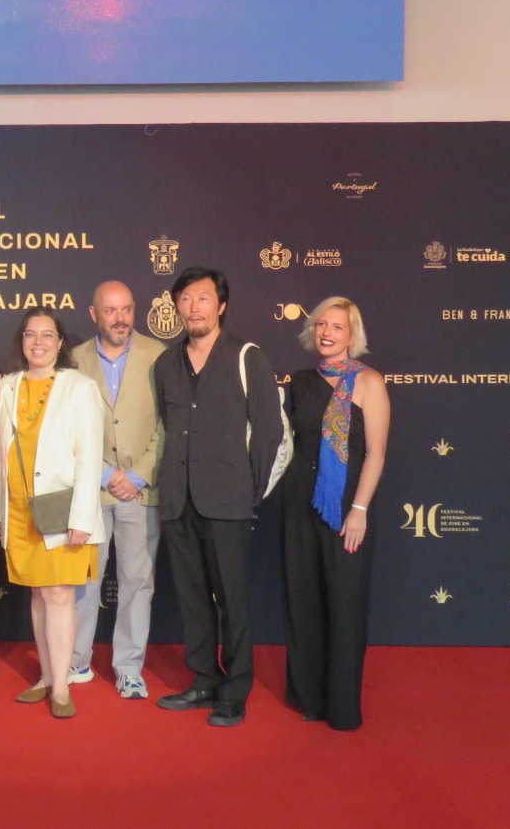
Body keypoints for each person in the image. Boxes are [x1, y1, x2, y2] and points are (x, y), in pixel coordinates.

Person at [153, 266, 284, 727]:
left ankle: (235, 688)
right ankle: (204, 679)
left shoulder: (247, 357)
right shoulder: (165, 364)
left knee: (233, 599)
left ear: (221, 305)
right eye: (185, 299)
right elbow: (165, 430)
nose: (193, 307)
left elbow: (270, 432)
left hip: (228, 501)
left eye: (203, 298)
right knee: (192, 597)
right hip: (177, 499)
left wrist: (248, 489)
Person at [0, 309, 105, 719]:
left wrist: (82, 518)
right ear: (22, 341)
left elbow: (91, 457)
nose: (38, 342)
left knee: (59, 595)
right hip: (18, 510)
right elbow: (0, 454)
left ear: (60, 343)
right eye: (30, 335)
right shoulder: (7, 385)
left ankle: (60, 686)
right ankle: (45, 676)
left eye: (47, 335)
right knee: (38, 594)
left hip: (62, 510)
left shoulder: (79, 387)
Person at [282, 297, 389, 730]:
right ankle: (310, 697)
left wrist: (359, 509)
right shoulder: (300, 382)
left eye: (337, 327)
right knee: (304, 599)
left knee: (345, 604)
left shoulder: (369, 382)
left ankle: (343, 706)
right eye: (321, 325)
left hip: (348, 504)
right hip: (299, 502)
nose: (327, 333)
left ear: (352, 336)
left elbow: (376, 454)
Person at [69, 281, 166, 700]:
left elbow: (168, 424)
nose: (120, 318)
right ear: (94, 315)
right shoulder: (72, 360)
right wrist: (107, 474)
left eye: (126, 309)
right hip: (91, 491)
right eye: (110, 311)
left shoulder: (160, 356)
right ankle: (75, 661)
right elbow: (67, 428)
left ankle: (129, 668)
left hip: (141, 492)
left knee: (137, 582)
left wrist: (139, 474)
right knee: (83, 581)